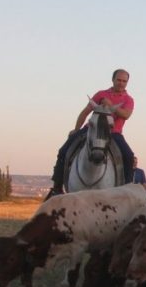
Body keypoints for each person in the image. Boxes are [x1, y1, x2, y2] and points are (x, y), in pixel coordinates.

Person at [47, 69, 135, 198]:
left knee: (129, 156)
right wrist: (76, 130)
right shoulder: (101, 94)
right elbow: (85, 112)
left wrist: (110, 105)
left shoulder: (128, 99)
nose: (121, 83)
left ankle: (127, 191)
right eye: (119, 80)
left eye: (124, 81)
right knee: (63, 151)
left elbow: (126, 115)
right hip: (91, 128)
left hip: (113, 132)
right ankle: (57, 188)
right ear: (113, 80)